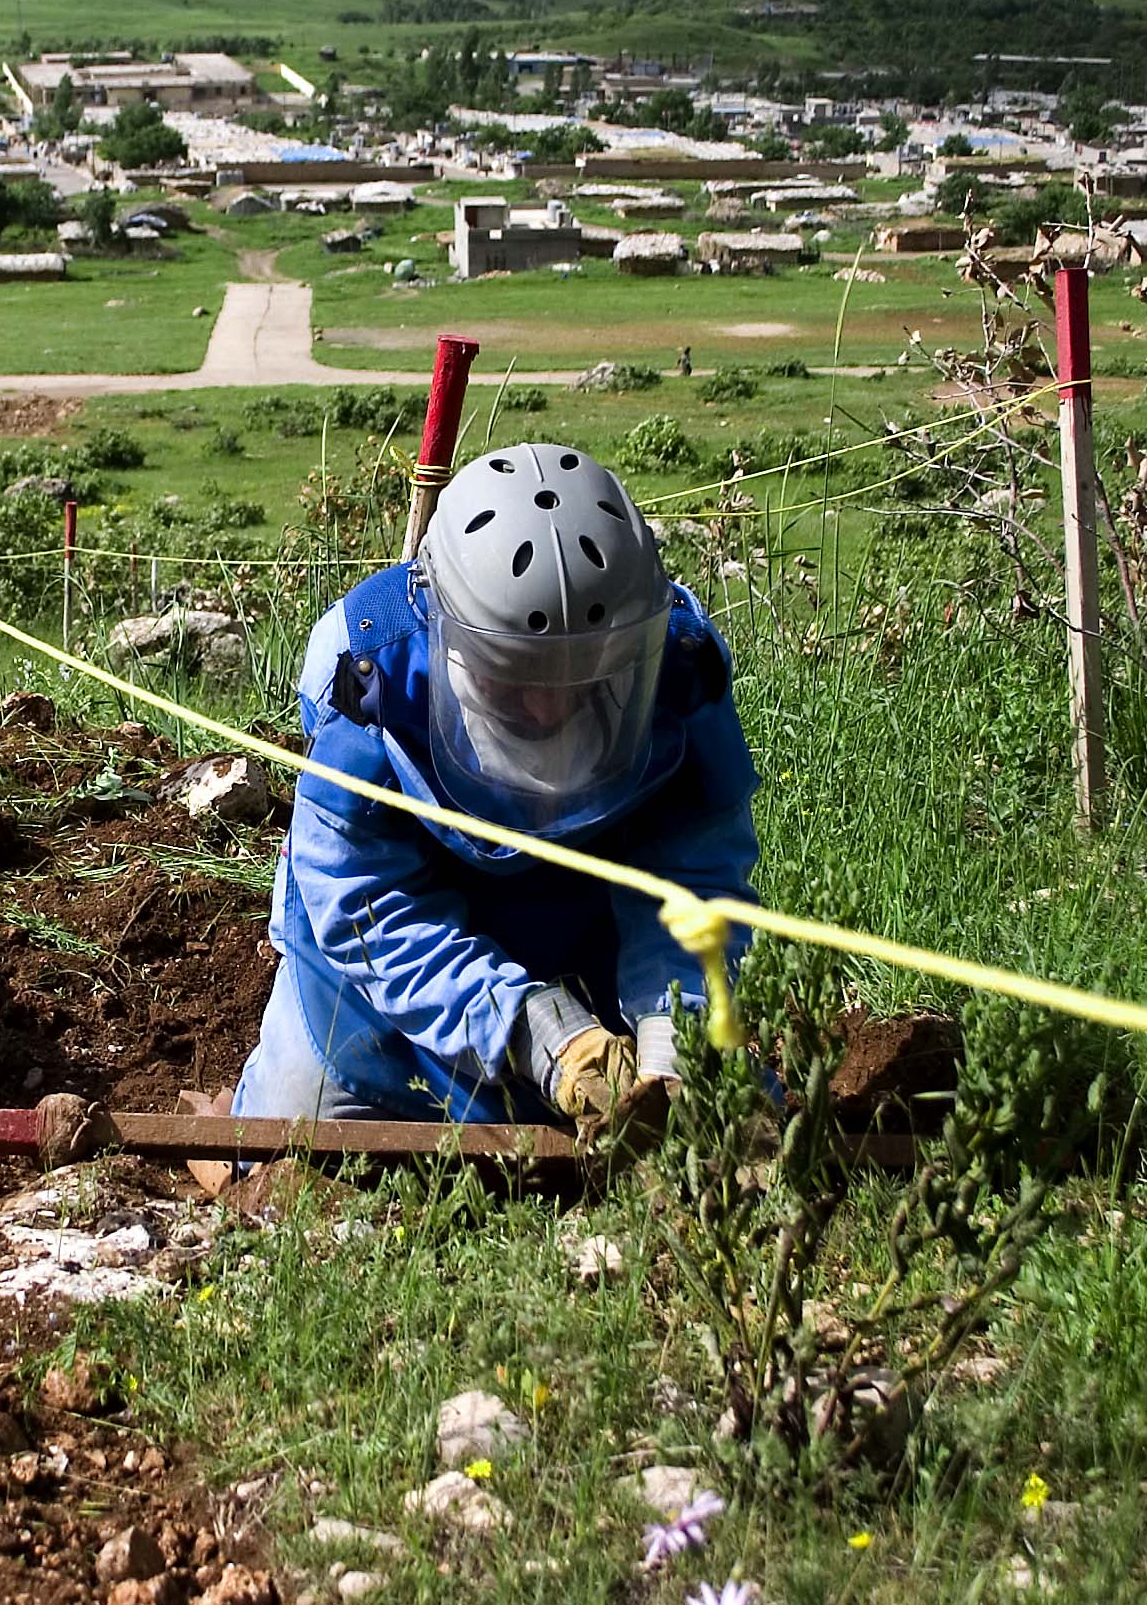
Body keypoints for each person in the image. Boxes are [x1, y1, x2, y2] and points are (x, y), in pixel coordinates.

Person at [224, 443, 760, 1155]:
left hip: (588, 931)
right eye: (517, 678)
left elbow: (693, 883)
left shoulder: (682, 673)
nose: (545, 709)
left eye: (583, 679)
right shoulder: (367, 679)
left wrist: (673, 1040)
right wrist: (533, 1028)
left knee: (732, 1129)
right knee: (290, 1126)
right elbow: (363, 901)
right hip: (395, 964)